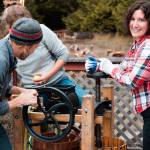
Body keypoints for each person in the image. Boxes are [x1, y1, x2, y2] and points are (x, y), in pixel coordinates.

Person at [85, 0, 150, 149]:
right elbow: (123, 67)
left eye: (141, 20)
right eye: (132, 19)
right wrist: (100, 64)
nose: (135, 24)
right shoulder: (138, 43)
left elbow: (131, 81)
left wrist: (108, 68)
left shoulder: (147, 47)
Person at [2, 4, 87, 108]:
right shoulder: (8, 46)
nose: (23, 28)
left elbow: (63, 54)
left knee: (89, 104)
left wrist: (47, 76)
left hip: (59, 82)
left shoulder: (39, 31)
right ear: (10, 27)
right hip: (33, 90)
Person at [0, 17, 43, 150]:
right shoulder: (1, 61)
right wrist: (18, 101)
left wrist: (21, 91)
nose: (33, 53)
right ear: (26, 46)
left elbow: (1, 86)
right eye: (34, 49)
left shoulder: (5, 49)